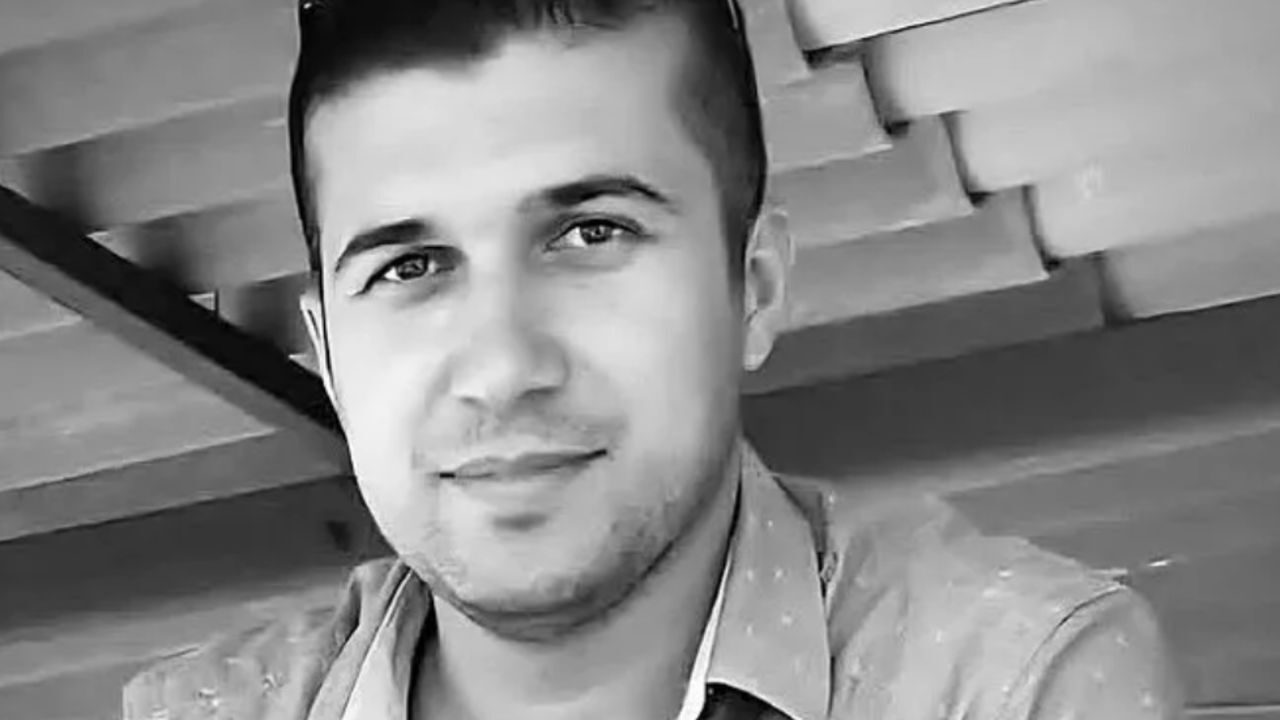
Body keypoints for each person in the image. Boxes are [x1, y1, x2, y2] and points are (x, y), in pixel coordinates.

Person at [124, 1, 1185, 718]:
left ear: (752, 287)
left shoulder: (1003, 682)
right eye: (409, 267)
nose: (502, 366)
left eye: (591, 234)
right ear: (328, 356)